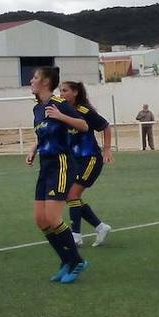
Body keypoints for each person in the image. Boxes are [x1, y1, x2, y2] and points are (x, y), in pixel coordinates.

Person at [26, 66, 88, 283]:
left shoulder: (59, 104)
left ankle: (77, 261)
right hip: (46, 164)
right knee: (41, 220)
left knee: (53, 217)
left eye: (35, 77)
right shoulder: (37, 109)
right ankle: (66, 260)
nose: (31, 80)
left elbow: (83, 125)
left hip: (62, 164)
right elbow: (43, 134)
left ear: (45, 82)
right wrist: (34, 149)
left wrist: (62, 116)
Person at [59, 81, 114, 247]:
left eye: (65, 90)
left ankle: (76, 235)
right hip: (75, 160)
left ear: (75, 92)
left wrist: (107, 149)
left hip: (90, 159)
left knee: (72, 195)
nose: (62, 94)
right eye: (60, 91)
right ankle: (100, 227)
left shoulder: (84, 111)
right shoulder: (64, 112)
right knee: (72, 197)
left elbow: (105, 126)